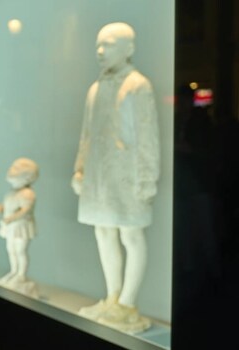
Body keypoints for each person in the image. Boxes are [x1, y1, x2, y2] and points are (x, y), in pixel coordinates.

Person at [71, 22, 160, 334]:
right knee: (103, 232)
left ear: (128, 48)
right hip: (99, 175)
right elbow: (87, 134)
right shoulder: (95, 89)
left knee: (131, 235)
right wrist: (80, 168)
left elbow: (148, 135)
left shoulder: (138, 85)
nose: (100, 51)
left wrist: (148, 177)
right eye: (98, 44)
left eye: (108, 44)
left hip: (127, 175)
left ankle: (128, 302)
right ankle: (112, 298)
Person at [0, 158, 38, 296]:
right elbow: (4, 205)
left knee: (20, 250)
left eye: (16, 169)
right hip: (11, 227)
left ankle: (21, 275)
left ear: (27, 176)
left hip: (21, 227)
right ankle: (13, 272)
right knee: (10, 249)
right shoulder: (12, 192)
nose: (11, 170)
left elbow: (25, 210)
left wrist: (10, 218)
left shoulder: (28, 194)